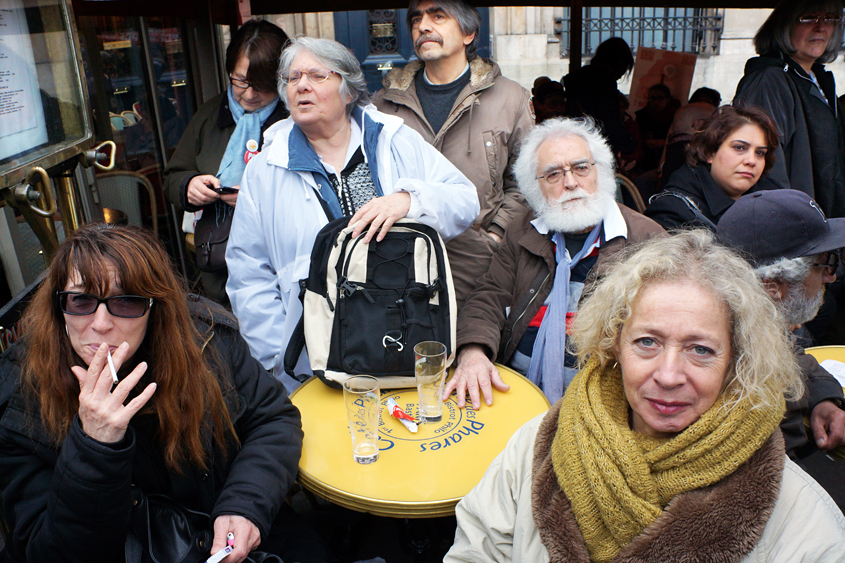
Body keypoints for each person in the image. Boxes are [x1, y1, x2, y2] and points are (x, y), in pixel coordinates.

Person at [445, 229, 845, 563]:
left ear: (736, 362)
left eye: (700, 350)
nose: (669, 375)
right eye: (648, 342)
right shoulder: (532, 449)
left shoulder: (803, 522)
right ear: (614, 342)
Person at [0, 223, 305, 563]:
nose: (100, 323)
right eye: (81, 300)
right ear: (61, 307)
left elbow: (273, 420)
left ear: (153, 306)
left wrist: (246, 503)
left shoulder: (207, 342)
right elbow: (48, 551)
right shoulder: (22, 398)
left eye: (126, 301)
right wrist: (94, 447)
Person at [226, 37, 479, 390]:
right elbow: (248, 271)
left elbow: (465, 199)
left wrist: (410, 201)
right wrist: (279, 356)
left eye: (316, 75)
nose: (301, 86)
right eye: (293, 78)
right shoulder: (266, 166)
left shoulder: (394, 140)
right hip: (310, 363)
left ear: (348, 91)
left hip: (402, 339)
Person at [446, 117, 663, 409]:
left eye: (581, 168)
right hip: (514, 387)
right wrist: (473, 352)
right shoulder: (523, 229)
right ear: (535, 188)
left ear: (601, 171)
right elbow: (489, 296)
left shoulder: (647, 240)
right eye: (553, 175)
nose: (571, 182)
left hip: (603, 401)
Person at [373, 0, 532, 307]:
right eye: (417, 19)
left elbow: (526, 181)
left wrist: (495, 235)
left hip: (480, 266)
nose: (424, 26)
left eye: (438, 16)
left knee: (474, 349)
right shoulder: (384, 104)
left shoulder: (510, 97)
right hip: (400, 265)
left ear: (468, 33)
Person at [718, 189, 845, 511]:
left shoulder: (757, 321)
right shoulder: (728, 361)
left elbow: (794, 354)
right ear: (772, 286)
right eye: (825, 264)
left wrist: (824, 398)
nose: (831, 275)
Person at [164, 20, 290, 303]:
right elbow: (173, 176)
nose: (249, 94)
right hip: (215, 268)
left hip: (279, 268)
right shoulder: (210, 114)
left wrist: (257, 198)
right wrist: (189, 186)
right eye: (240, 81)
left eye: (261, 86)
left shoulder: (295, 118)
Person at [734, 0, 845, 218]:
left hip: (824, 226)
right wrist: (792, 226)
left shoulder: (818, 80)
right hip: (794, 226)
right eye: (808, 18)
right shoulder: (769, 80)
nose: (820, 27)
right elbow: (764, 167)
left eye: (830, 19)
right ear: (784, 25)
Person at [645, 105, 779, 230]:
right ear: (710, 152)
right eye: (739, 147)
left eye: (760, 153)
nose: (751, 160)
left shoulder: (775, 201)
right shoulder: (673, 212)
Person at [563, 37, 636, 157]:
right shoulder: (606, 83)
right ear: (618, 63)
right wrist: (629, 144)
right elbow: (609, 121)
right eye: (625, 67)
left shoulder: (575, 79)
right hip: (596, 145)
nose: (623, 74)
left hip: (576, 139)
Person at [635, 83, 680, 172]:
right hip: (646, 158)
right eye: (652, 98)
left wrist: (664, 142)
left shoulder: (676, 116)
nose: (656, 102)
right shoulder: (642, 115)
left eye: (660, 98)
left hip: (667, 157)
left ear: (667, 99)